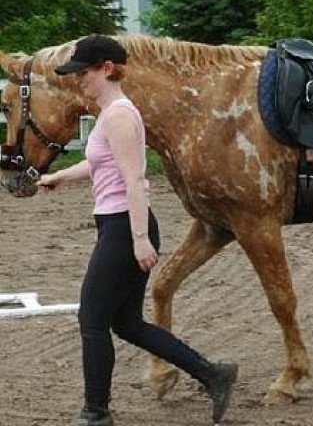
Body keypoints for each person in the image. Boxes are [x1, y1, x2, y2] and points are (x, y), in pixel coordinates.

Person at [38, 34, 238, 426]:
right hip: (117, 225)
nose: (78, 80)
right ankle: (214, 374)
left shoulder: (120, 115)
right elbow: (100, 164)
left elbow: (134, 179)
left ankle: (95, 413)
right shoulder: (108, 113)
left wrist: (140, 239)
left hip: (124, 229)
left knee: (92, 320)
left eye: (83, 73)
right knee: (126, 323)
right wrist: (59, 176)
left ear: (106, 69)